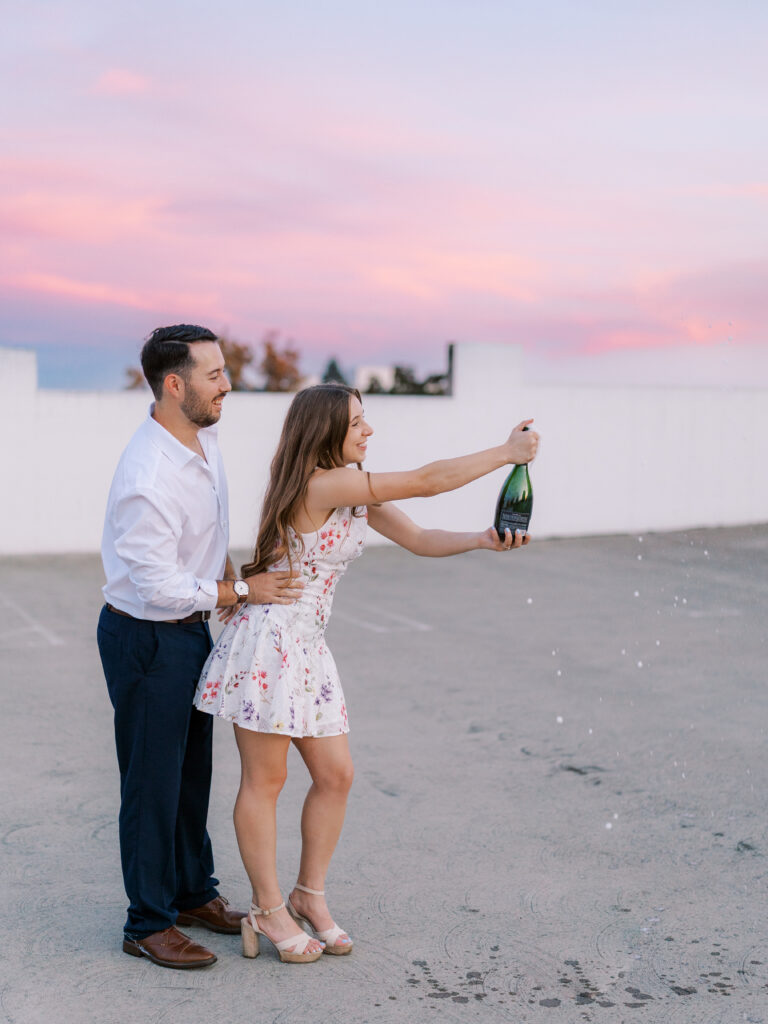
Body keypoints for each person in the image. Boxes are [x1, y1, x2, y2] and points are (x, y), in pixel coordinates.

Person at [193, 383, 539, 964]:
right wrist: (505, 454)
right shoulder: (323, 483)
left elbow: (421, 539)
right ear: (327, 431)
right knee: (266, 782)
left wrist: (481, 540)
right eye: (357, 423)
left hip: (308, 649)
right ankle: (269, 908)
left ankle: (309, 895)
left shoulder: (355, 491)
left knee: (337, 775)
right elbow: (428, 481)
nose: (368, 431)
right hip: (269, 645)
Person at [97, 325, 303, 970]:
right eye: (214, 375)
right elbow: (158, 585)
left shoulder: (200, 438)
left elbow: (199, 544)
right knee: (152, 784)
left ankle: (191, 895)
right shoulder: (147, 473)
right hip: (147, 637)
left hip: (189, 629)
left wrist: (232, 575)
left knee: (191, 776)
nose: (228, 384)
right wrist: (243, 588)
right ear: (174, 384)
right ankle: (147, 923)